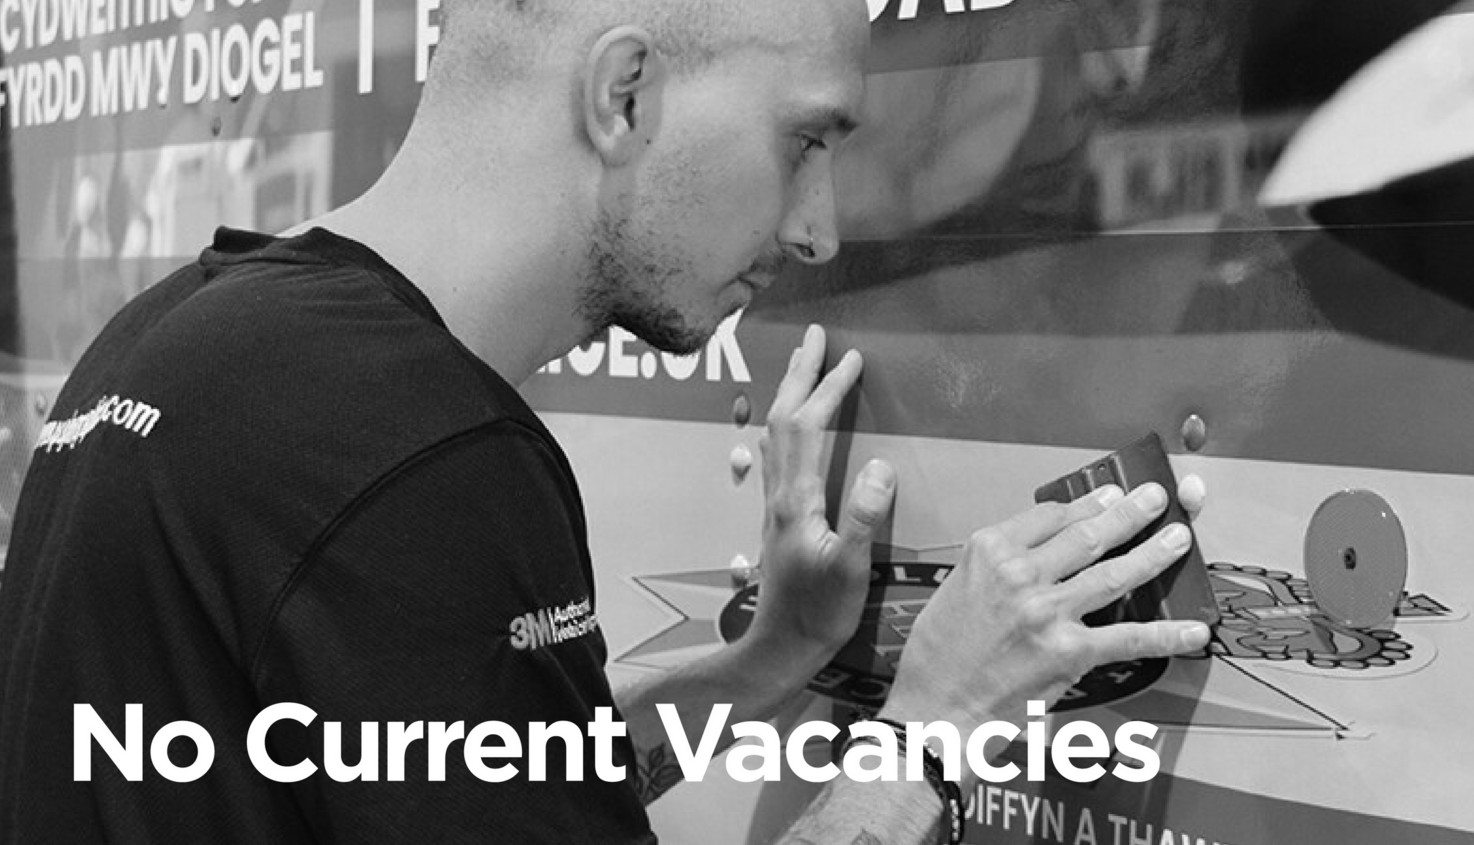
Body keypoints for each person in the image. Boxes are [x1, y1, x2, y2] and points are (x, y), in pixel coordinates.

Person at [0, 0, 1212, 842]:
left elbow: (475, 773)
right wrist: (932, 734)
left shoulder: (187, 331)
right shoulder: (417, 459)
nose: (819, 231)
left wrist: (773, 653)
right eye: (805, 140)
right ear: (624, 95)